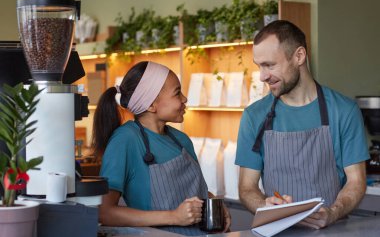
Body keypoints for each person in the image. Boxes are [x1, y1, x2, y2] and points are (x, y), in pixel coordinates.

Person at [235, 20, 369, 229]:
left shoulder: (344, 111)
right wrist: (264, 206)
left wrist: (333, 213)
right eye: (259, 66)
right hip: (278, 231)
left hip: (332, 231)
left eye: (269, 65)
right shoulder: (254, 116)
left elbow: (356, 181)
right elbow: (246, 187)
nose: (262, 76)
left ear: (299, 56)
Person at [92, 61, 231, 236]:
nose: (184, 99)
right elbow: (105, 213)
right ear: (151, 104)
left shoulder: (181, 140)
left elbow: (196, 193)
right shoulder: (125, 140)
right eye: (177, 93)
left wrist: (215, 205)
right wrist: (174, 217)